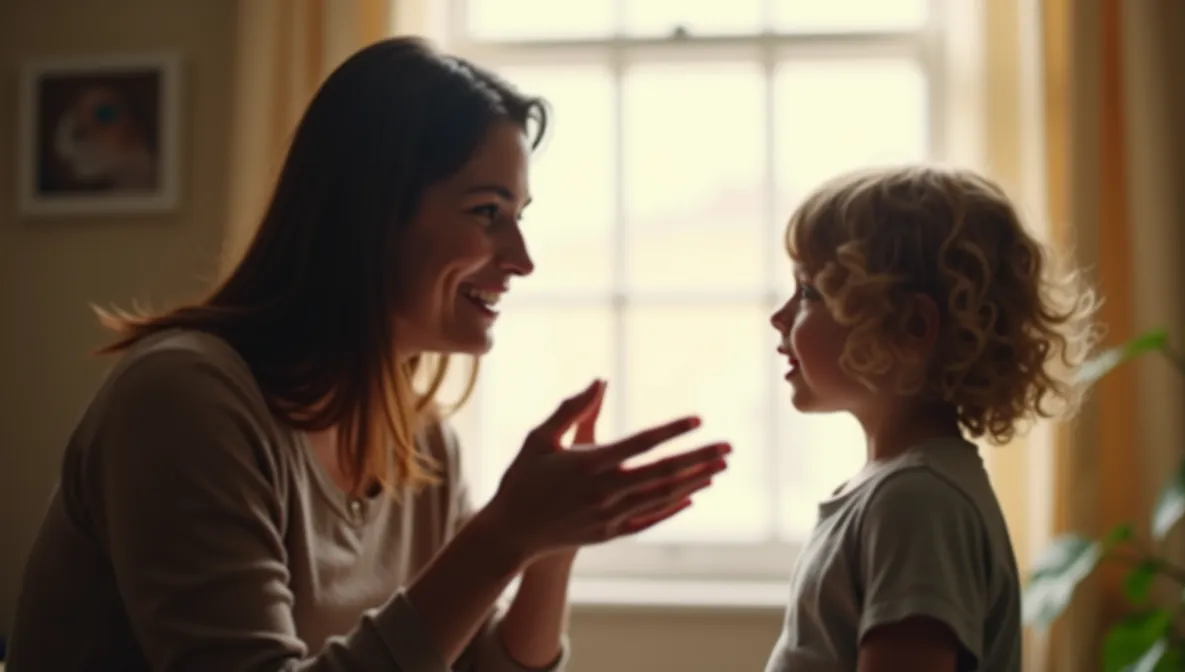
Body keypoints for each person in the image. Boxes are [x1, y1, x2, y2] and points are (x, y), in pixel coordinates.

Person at [8, 37, 731, 672]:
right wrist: (504, 534)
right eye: (487, 213)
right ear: (369, 213)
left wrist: (547, 549)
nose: (521, 259)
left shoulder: (425, 445)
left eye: (519, 217)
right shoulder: (184, 397)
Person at [763, 166, 1097, 671]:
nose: (780, 316)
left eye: (809, 292)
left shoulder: (915, 502)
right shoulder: (901, 492)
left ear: (913, 327)